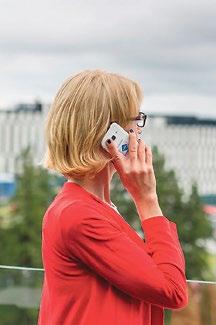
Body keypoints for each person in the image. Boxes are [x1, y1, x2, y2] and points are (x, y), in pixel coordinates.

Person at [37, 70, 188, 325]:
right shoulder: (78, 215)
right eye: (135, 120)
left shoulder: (94, 207)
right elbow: (172, 290)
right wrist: (148, 200)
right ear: (111, 135)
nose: (138, 132)